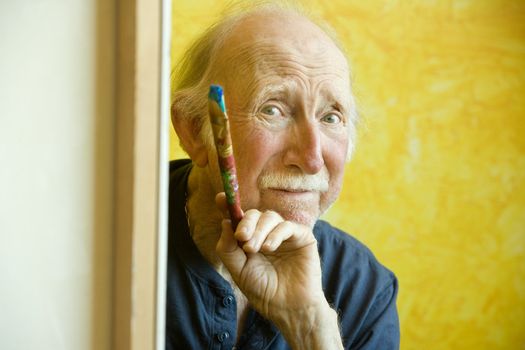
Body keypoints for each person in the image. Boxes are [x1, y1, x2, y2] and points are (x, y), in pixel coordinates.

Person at [167, 3, 399, 349]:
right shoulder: (111, 240)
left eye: (331, 117)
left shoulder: (363, 288)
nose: (311, 158)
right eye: (272, 109)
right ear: (193, 129)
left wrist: (311, 326)